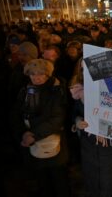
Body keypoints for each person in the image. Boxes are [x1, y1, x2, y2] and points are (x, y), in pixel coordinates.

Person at [11, 59, 70, 197]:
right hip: (32, 143)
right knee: (42, 181)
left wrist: (33, 134)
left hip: (53, 144)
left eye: (40, 74)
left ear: (47, 74)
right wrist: (22, 133)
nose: (36, 77)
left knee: (59, 181)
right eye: (32, 74)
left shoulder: (56, 90)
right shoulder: (25, 90)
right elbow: (16, 114)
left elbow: (57, 118)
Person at [69, 59, 112, 197]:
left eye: (89, 68)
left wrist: (103, 127)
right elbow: (74, 112)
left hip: (111, 143)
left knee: (110, 180)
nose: (86, 72)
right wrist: (77, 121)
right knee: (92, 178)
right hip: (89, 144)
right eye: (82, 69)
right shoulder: (78, 89)